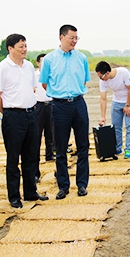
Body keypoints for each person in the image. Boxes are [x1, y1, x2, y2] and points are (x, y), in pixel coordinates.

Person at [0, 34, 49, 209]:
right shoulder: (2, 68)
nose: (24, 49)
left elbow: (32, 88)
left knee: (31, 156)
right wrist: (8, 113)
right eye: (21, 46)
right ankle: (14, 196)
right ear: (10, 48)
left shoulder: (29, 66)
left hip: (31, 114)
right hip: (13, 116)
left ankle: (31, 192)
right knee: (13, 158)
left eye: (25, 46)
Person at [39, 24, 91, 200]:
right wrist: (60, 94)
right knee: (60, 148)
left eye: (76, 38)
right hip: (59, 106)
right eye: (71, 38)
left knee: (83, 145)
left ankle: (82, 184)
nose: (74, 41)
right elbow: (44, 83)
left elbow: (84, 81)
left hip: (79, 104)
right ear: (61, 37)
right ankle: (63, 186)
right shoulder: (49, 59)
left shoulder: (82, 58)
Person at [95, 60, 130, 159]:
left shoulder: (123, 72)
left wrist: (127, 105)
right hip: (117, 101)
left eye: (101, 77)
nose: (101, 79)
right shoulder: (103, 81)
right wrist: (103, 117)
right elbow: (103, 98)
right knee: (116, 127)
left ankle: (128, 150)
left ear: (107, 73)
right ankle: (117, 148)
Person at [34, 53, 55, 183]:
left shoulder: (52, 75)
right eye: (43, 62)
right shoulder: (34, 75)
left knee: (51, 132)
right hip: (39, 106)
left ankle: (49, 154)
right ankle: (35, 166)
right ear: (38, 63)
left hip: (51, 104)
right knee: (36, 136)